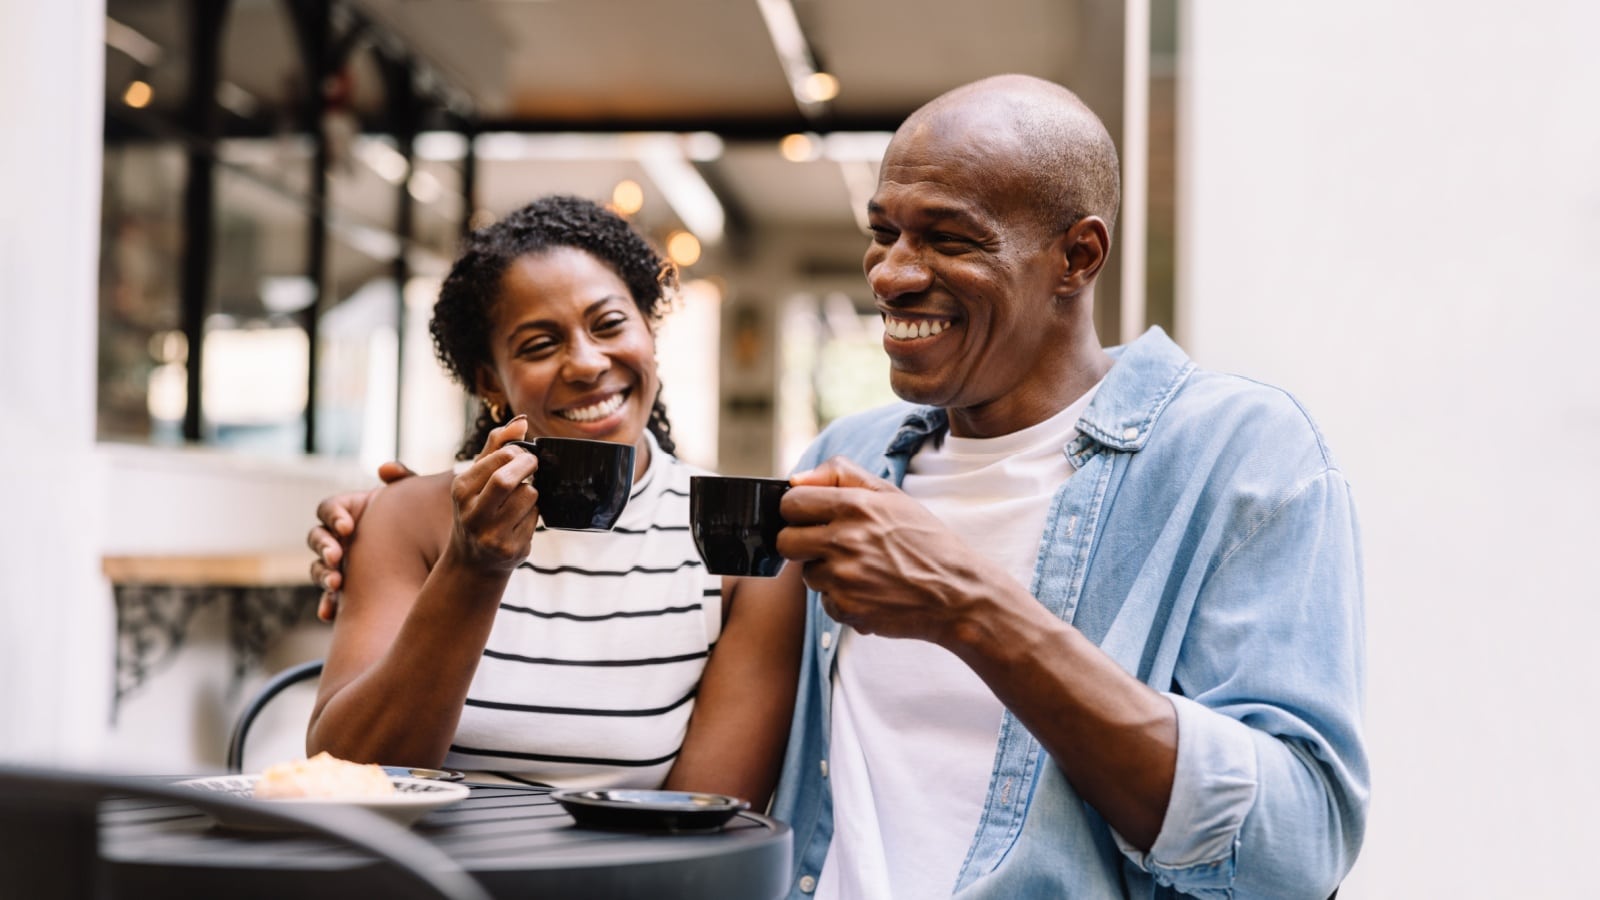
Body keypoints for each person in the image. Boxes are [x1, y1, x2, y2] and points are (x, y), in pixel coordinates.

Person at [312, 76, 1367, 899]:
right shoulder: (850, 458)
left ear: (1074, 256)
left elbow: (1294, 853)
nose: (893, 275)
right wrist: (391, 532)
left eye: (946, 237)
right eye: (884, 233)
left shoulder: (1240, 454)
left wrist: (972, 605)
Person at [305, 194, 804, 805]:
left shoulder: (739, 542)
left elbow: (704, 822)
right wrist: (473, 565)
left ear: (649, 329)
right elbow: (347, 775)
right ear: (490, 381)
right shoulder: (409, 518)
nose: (588, 362)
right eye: (540, 344)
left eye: (610, 324)